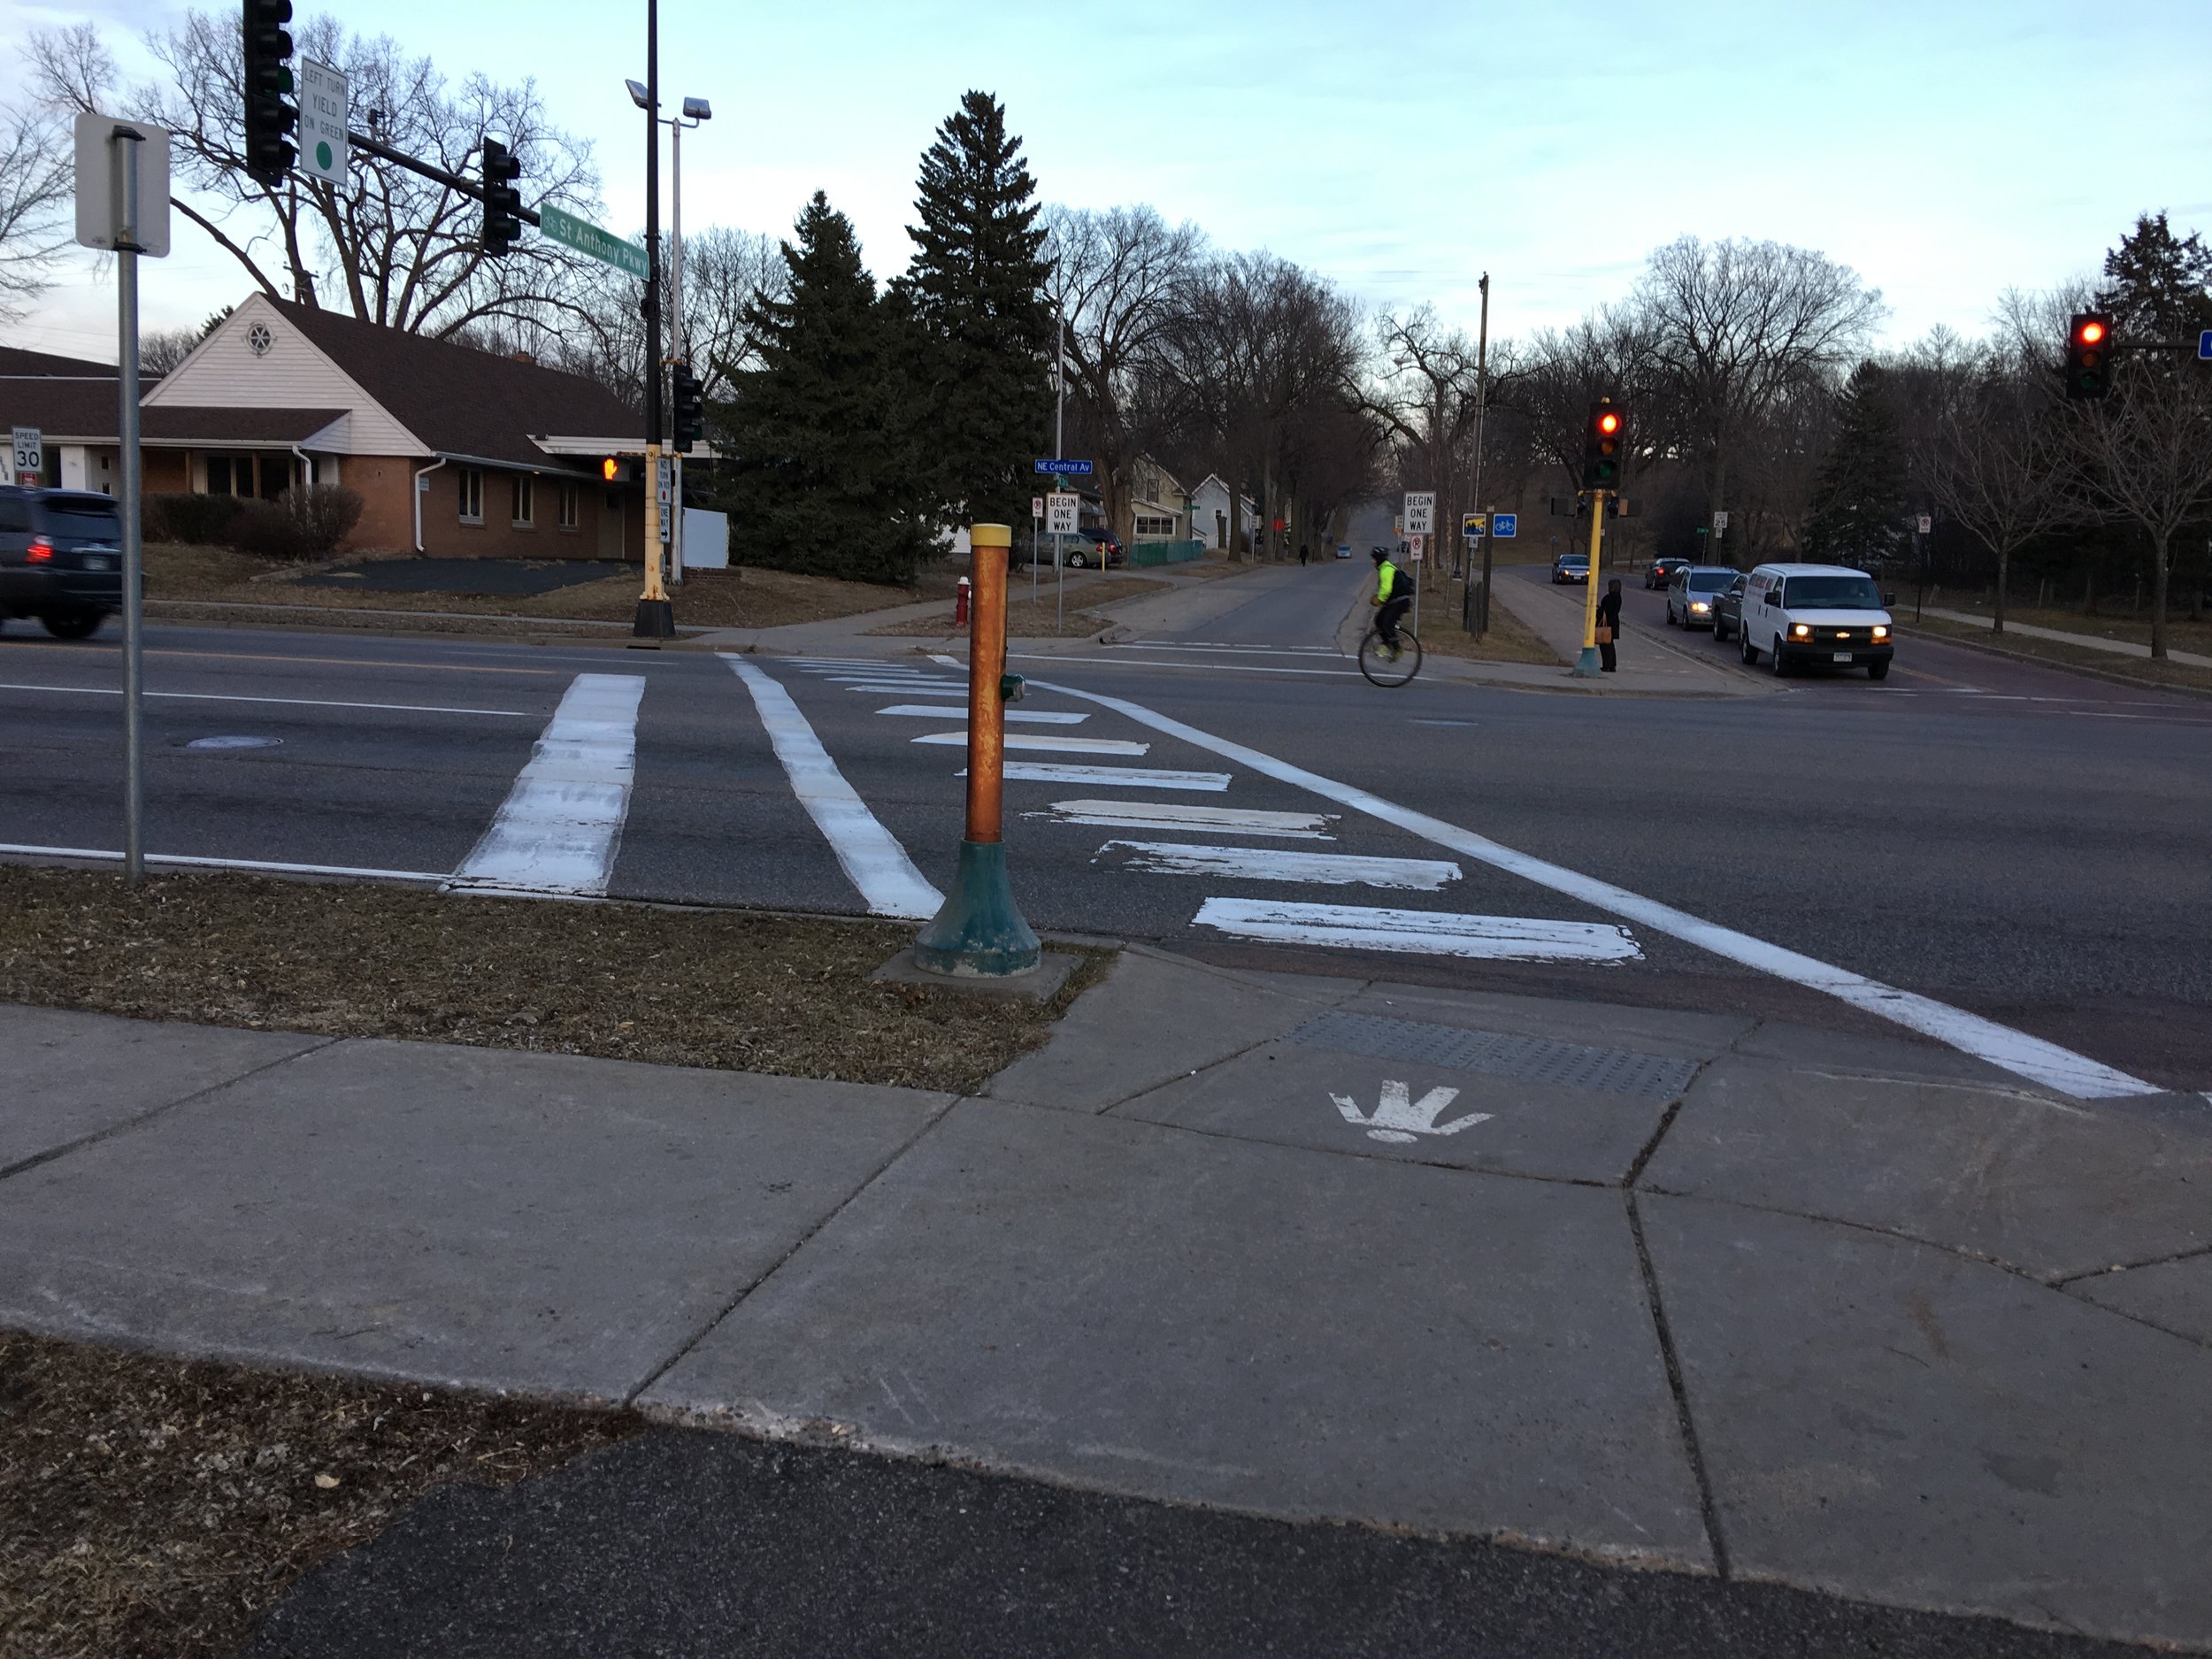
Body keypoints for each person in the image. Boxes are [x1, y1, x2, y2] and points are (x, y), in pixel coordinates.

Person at [1371, 547, 1414, 656]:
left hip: (1400, 601)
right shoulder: (1385, 568)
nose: (1372, 562)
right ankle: (1387, 645)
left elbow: (1386, 589)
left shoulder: (1386, 570)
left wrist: (1378, 599)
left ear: (1379, 559)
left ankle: (1396, 649)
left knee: (1385, 623)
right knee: (1379, 620)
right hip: (1395, 601)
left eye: (1374, 559)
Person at [1597, 578, 1623, 672]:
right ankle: (1612, 665)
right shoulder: (1618, 597)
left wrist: (1598, 610)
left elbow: (1604, 611)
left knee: (1605, 645)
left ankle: (1606, 665)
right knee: (1611, 644)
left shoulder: (1608, 598)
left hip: (1606, 623)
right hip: (1615, 623)